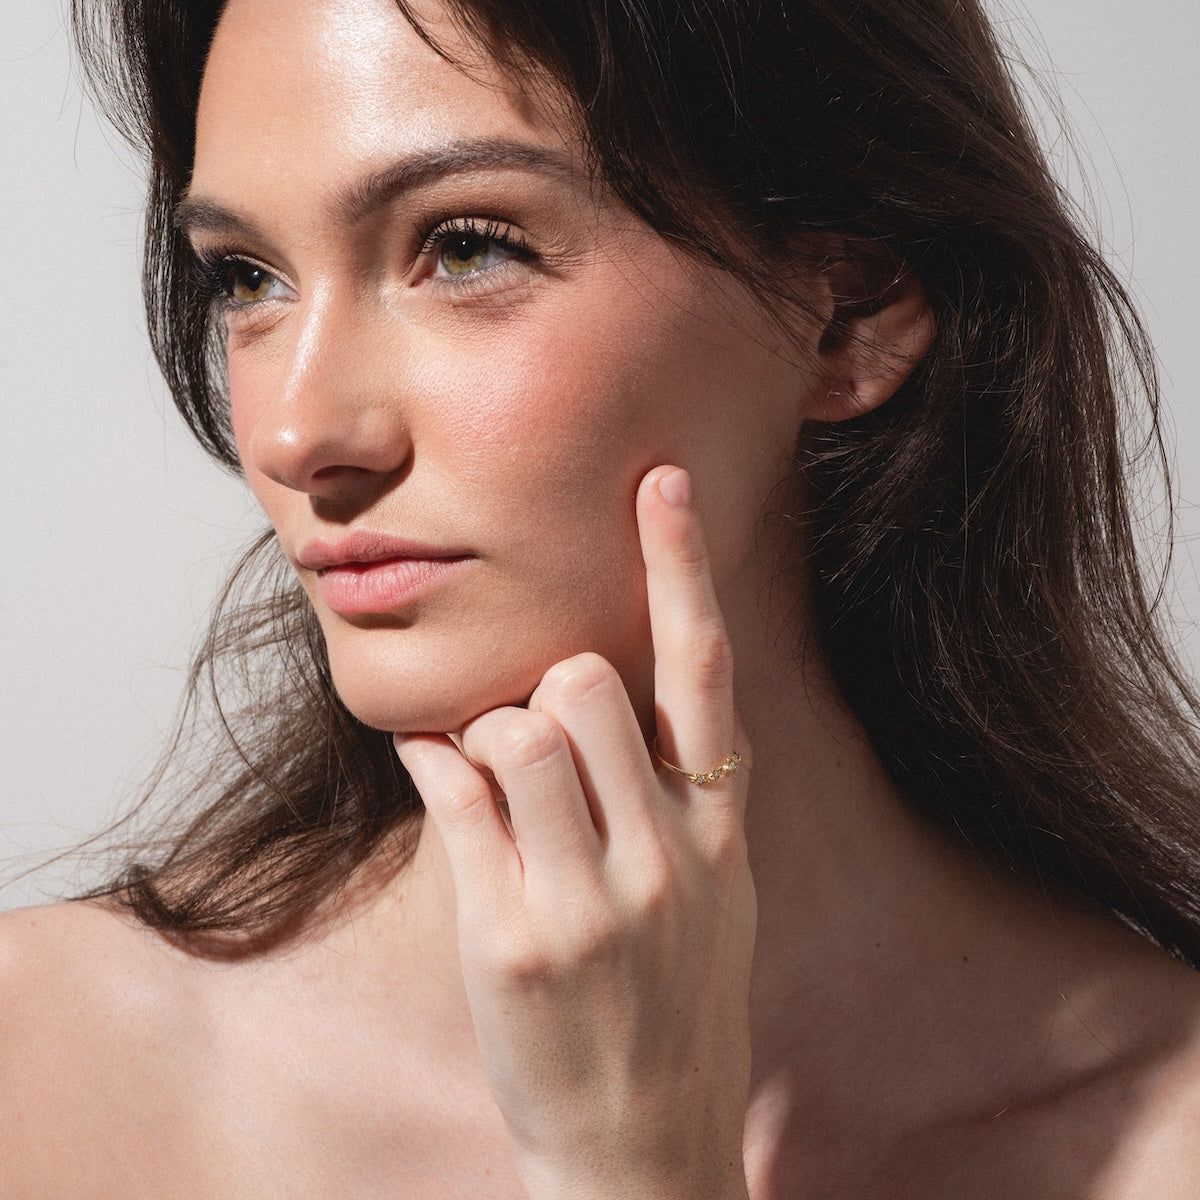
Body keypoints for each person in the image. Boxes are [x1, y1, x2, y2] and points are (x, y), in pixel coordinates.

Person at [4, 0, 1200, 1194]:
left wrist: (639, 1169)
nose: (302, 432)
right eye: (247, 278)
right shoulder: (47, 1066)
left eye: (464, 245)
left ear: (850, 311)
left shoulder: (1159, 1135)